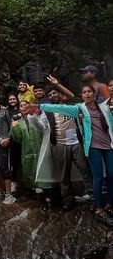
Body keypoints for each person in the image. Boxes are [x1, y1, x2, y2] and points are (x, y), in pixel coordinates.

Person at [40, 85, 113, 227]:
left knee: (89, 172)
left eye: (89, 92)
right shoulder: (69, 110)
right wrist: (36, 106)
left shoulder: (90, 107)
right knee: (64, 174)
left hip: (80, 144)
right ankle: (71, 201)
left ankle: (97, 201)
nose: (54, 95)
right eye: (84, 92)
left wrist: (57, 84)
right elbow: (46, 120)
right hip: (64, 144)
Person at [30, 85, 89, 212]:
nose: (52, 96)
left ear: (60, 95)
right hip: (60, 145)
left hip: (77, 143)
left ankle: (94, 198)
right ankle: (68, 200)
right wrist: (32, 117)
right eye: (50, 95)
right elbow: (42, 127)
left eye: (54, 93)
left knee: (86, 170)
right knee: (63, 175)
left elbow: (81, 113)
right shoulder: (48, 111)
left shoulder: (71, 108)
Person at [10, 100, 43, 192]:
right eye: (21, 106)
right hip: (26, 149)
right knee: (28, 166)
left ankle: (42, 185)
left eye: (25, 105)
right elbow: (18, 139)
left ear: (30, 107)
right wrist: (15, 128)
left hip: (39, 147)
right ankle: (31, 186)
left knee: (40, 165)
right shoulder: (18, 122)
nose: (23, 107)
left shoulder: (37, 118)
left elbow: (43, 132)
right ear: (19, 109)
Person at [6, 93, 22, 192]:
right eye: (10, 99)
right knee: (13, 161)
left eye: (14, 99)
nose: (12, 101)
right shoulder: (6, 111)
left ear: (17, 100)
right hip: (12, 139)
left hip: (23, 137)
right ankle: (14, 181)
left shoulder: (21, 109)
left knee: (23, 160)